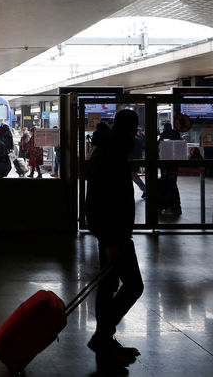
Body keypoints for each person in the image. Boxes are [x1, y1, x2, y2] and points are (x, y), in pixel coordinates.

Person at [85, 108, 143, 372]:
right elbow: (104, 200)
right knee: (133, 285)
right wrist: (110, 241)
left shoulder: (111, 149)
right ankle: (102, 336)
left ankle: (105, 338)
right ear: (131, 128)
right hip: (114, 234)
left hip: (114, 232)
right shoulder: (110, 153)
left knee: (109, 285)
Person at [130, 128, 146, 197]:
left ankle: (145, 189)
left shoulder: (134, 140)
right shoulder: (136, 140)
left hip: (132, 161)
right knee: (135, 177)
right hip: (134, 161)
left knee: (135, 177)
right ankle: (145, 189)